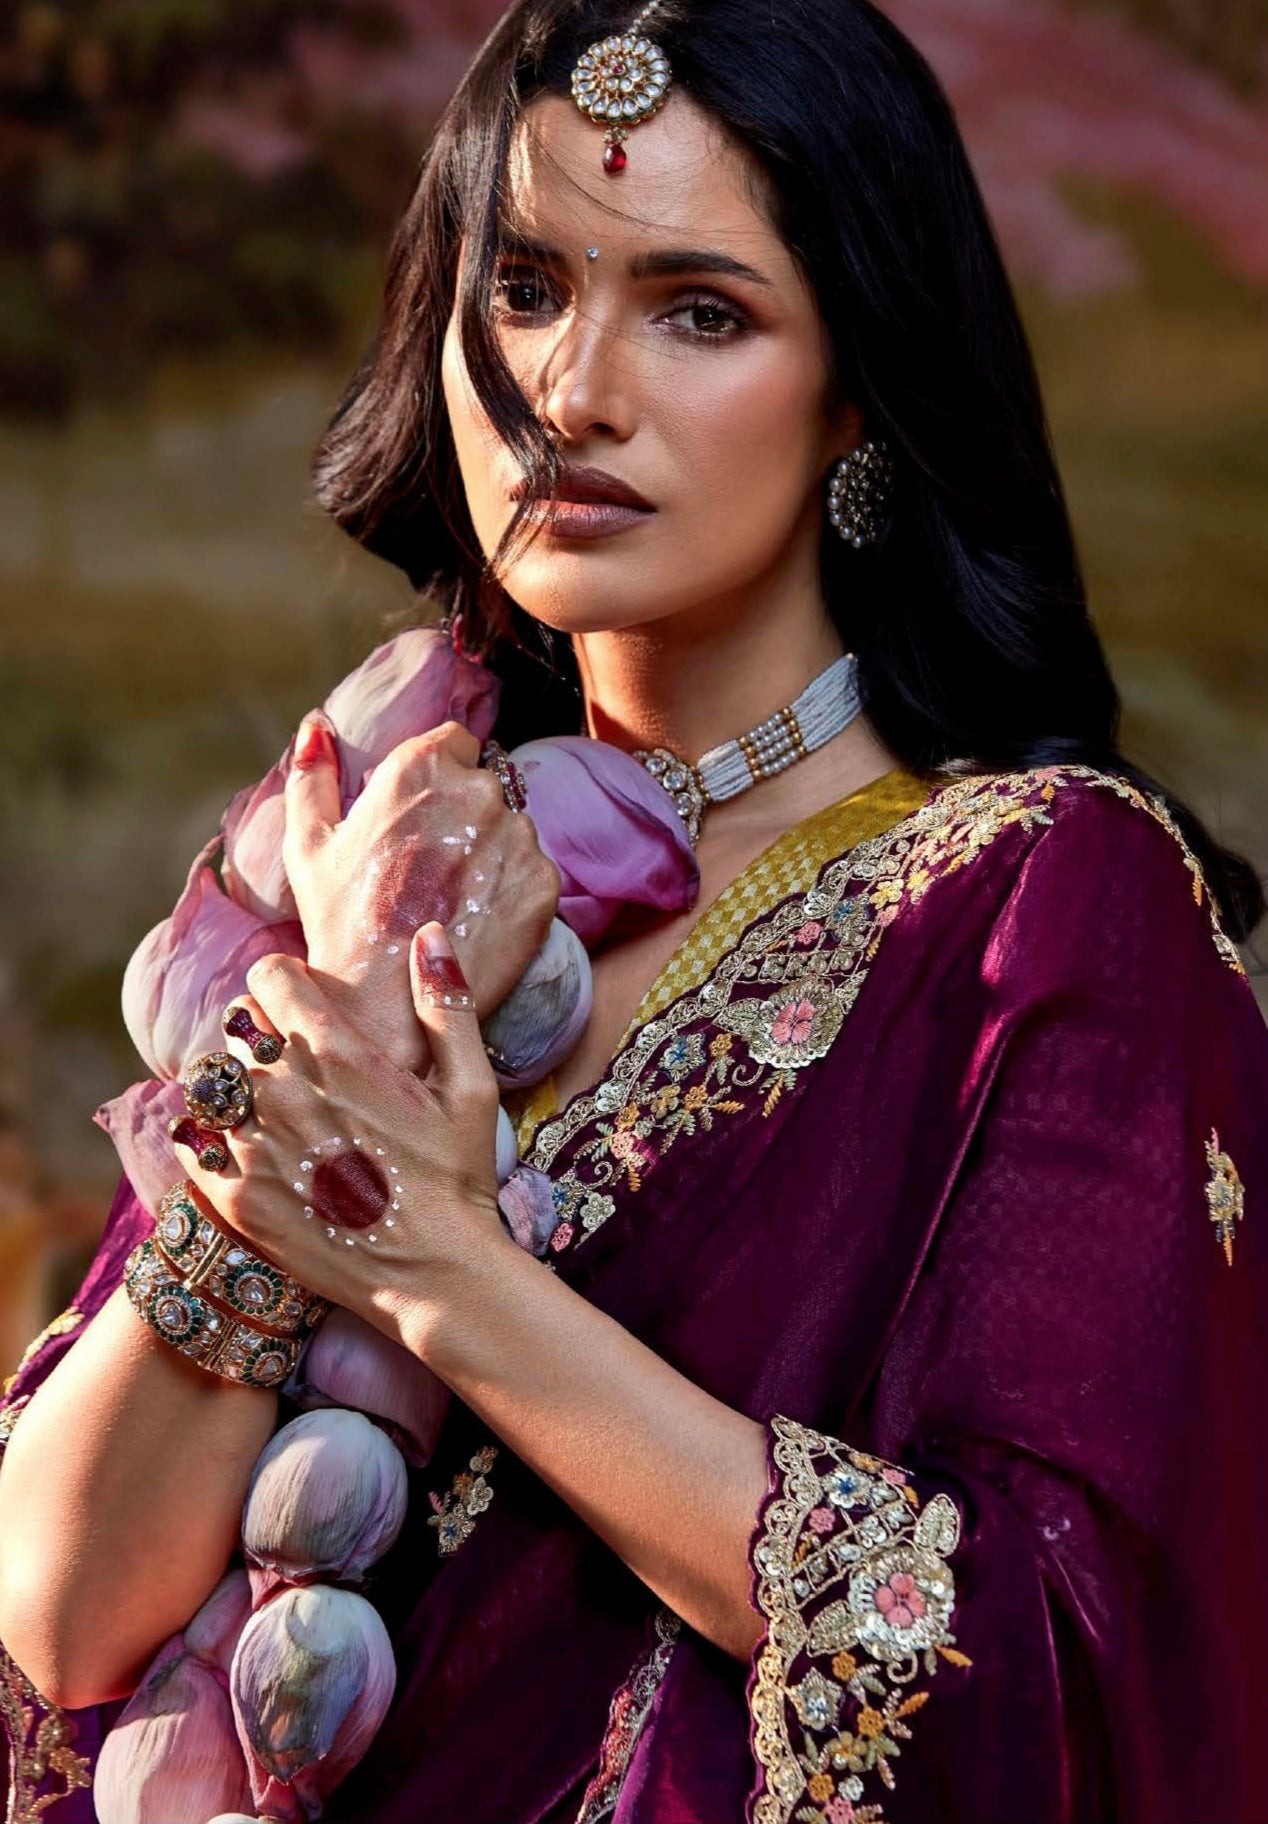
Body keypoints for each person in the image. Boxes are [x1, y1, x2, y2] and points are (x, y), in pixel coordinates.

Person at [1, 0, 1266, 1819]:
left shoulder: (1038, 907)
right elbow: (65, 1619)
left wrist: (434, 1269)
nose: (573, 391)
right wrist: (339, 1015)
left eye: (699, 310)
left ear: (858, 392)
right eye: (521, 289)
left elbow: (1023, 1658)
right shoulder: (383, 843)